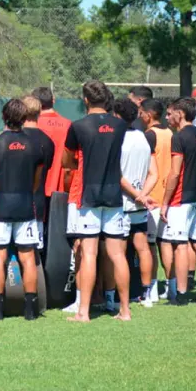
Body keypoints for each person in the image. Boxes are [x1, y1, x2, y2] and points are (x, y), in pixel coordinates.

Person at [62, 80, 131, 323]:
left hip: (88, 195)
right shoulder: (120, 125)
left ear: (86, 100)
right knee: (117, 255)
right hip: (114, 194)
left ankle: (84, 312)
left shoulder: (78, 126)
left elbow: (66, 162)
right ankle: (125, 310)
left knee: (89, 253)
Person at [0, 99, 45, 321]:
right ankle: (31, 311)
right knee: (28, 258)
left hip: (0, 208)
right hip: (26, 206)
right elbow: (36, 181)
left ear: (3, 116)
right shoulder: (35, 145)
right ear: (25, 117)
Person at [160, 97, 196, 305]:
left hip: (181, 200)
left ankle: (181, 294)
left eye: (170, 113)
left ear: (180, 114)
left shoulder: (179, 137)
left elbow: (174, 173)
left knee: (181, 245)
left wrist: (165, 201)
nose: (168, 117)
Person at [112, 98, 159, 307]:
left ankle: (114, 297)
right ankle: (146, 294)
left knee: (118, 252)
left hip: (122, 203)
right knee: (142, 247)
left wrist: (135, 194)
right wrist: (143, 194)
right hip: (139, 204)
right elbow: (154, 173)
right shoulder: (143, 137)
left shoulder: (117, 139)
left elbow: (118, 175)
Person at [141, 98, 172, 302]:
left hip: (153, 197)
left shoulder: (149, 136)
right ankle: (171, 286)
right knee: (165, 244)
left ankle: (151, 287)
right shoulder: (170, 133)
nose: (139, 116)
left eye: (141, 112)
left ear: (149, 114)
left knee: (150, 245)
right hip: (167, 196)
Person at [21, 95, 55, 245]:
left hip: (16, 203)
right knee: (35, 252)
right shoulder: (48, 141)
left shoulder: (15, 138)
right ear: (40, 111)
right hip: (38, 200)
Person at [33, 87, 71, 198]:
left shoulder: (33, 124)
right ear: (52, 100)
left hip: (36, 186)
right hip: (60, 188)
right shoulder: (67, 124)